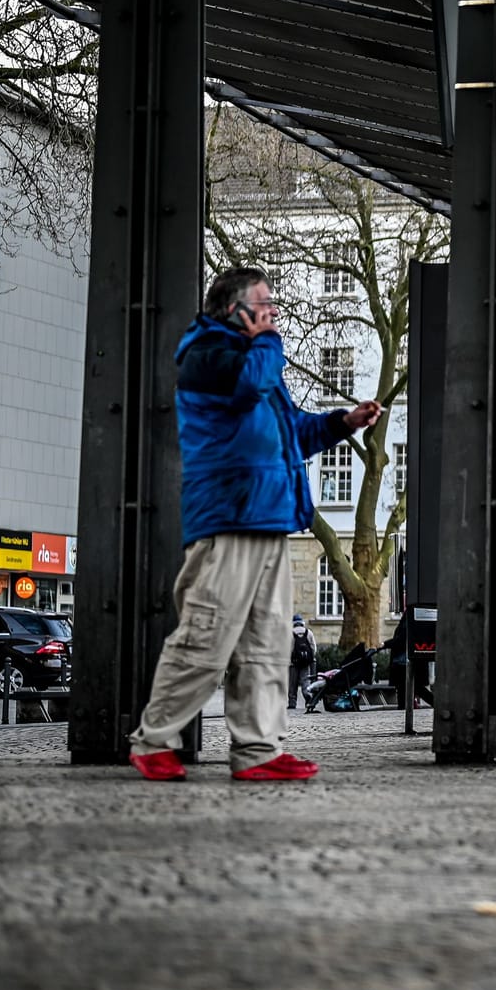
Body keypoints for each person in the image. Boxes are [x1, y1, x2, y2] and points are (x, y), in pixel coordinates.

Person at [129, 267, 381, 782]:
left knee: (268, 644)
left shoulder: (257, 366)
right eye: (263, 304)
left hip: (269, 519)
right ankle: (154, 739)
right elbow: (248, 385)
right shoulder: (206, 356)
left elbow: (292, 434)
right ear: (233, 309)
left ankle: (258, 750)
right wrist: (268, 341)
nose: (272, 312)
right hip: (229, 516)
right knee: (207, 634)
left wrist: (341, 422)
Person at [287, 616, 317, 711]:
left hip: (293, 663)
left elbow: (288, 648)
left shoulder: (290, 633)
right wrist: (310, 658)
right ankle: (308, 698)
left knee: (292, 683)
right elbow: (313, 648)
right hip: (306, 662)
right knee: (305, 681)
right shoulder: (309, 633)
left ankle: (292, 702)